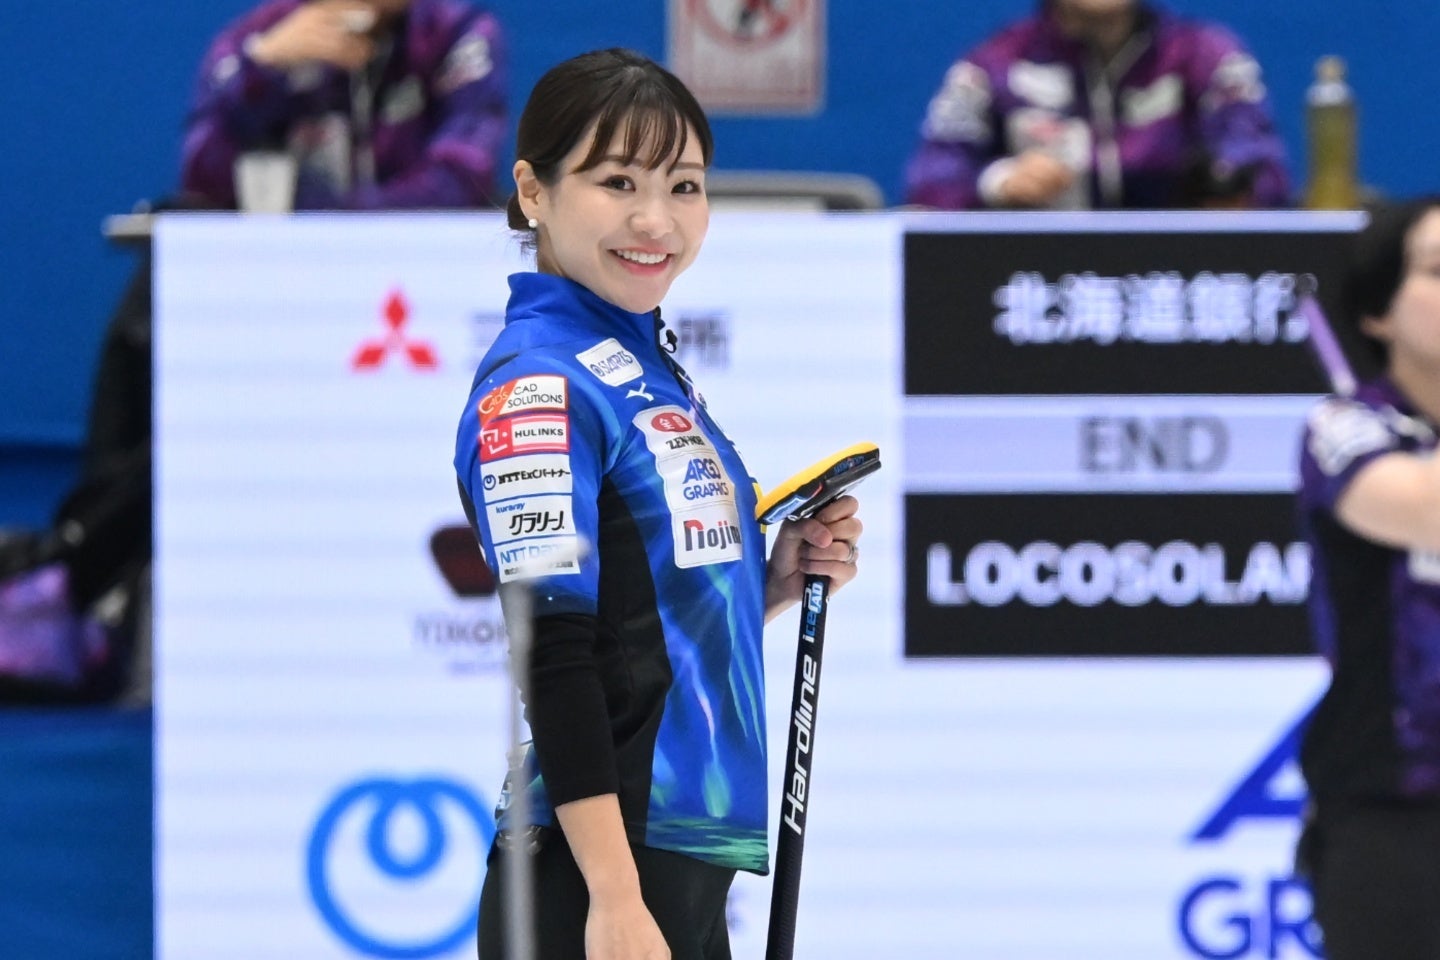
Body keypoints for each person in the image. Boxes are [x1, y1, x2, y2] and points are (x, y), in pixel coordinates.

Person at [452, 48, 864, 960]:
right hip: (598, 880)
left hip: (679, 859)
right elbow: (553, 652)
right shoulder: (538, 385)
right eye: (616, 182)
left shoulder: (642, 368)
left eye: (684, 185)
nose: (656, 220)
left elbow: (646, 633)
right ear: (533, 190)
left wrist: (774, 579)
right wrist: (611, 895)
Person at [1295, 198, 1440, 960]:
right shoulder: (1347, 430)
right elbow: (1424, 512)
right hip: (1398, 808)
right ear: (1379, 313)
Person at [903, 0, 1291, 210]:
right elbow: (930, 186)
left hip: (1175, 286)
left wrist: (1220, 182)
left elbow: (1265, 171)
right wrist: (999, 183)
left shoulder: (1206, 56)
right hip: (1039, 295)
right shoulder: (993, 65)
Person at [181, 0, 508, 209]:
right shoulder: (257, 42)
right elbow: (204, 182)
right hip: (282, 266)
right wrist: (262, 75)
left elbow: (462, 177)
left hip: (421, 261)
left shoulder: (456, 33)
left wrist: (334, 215)